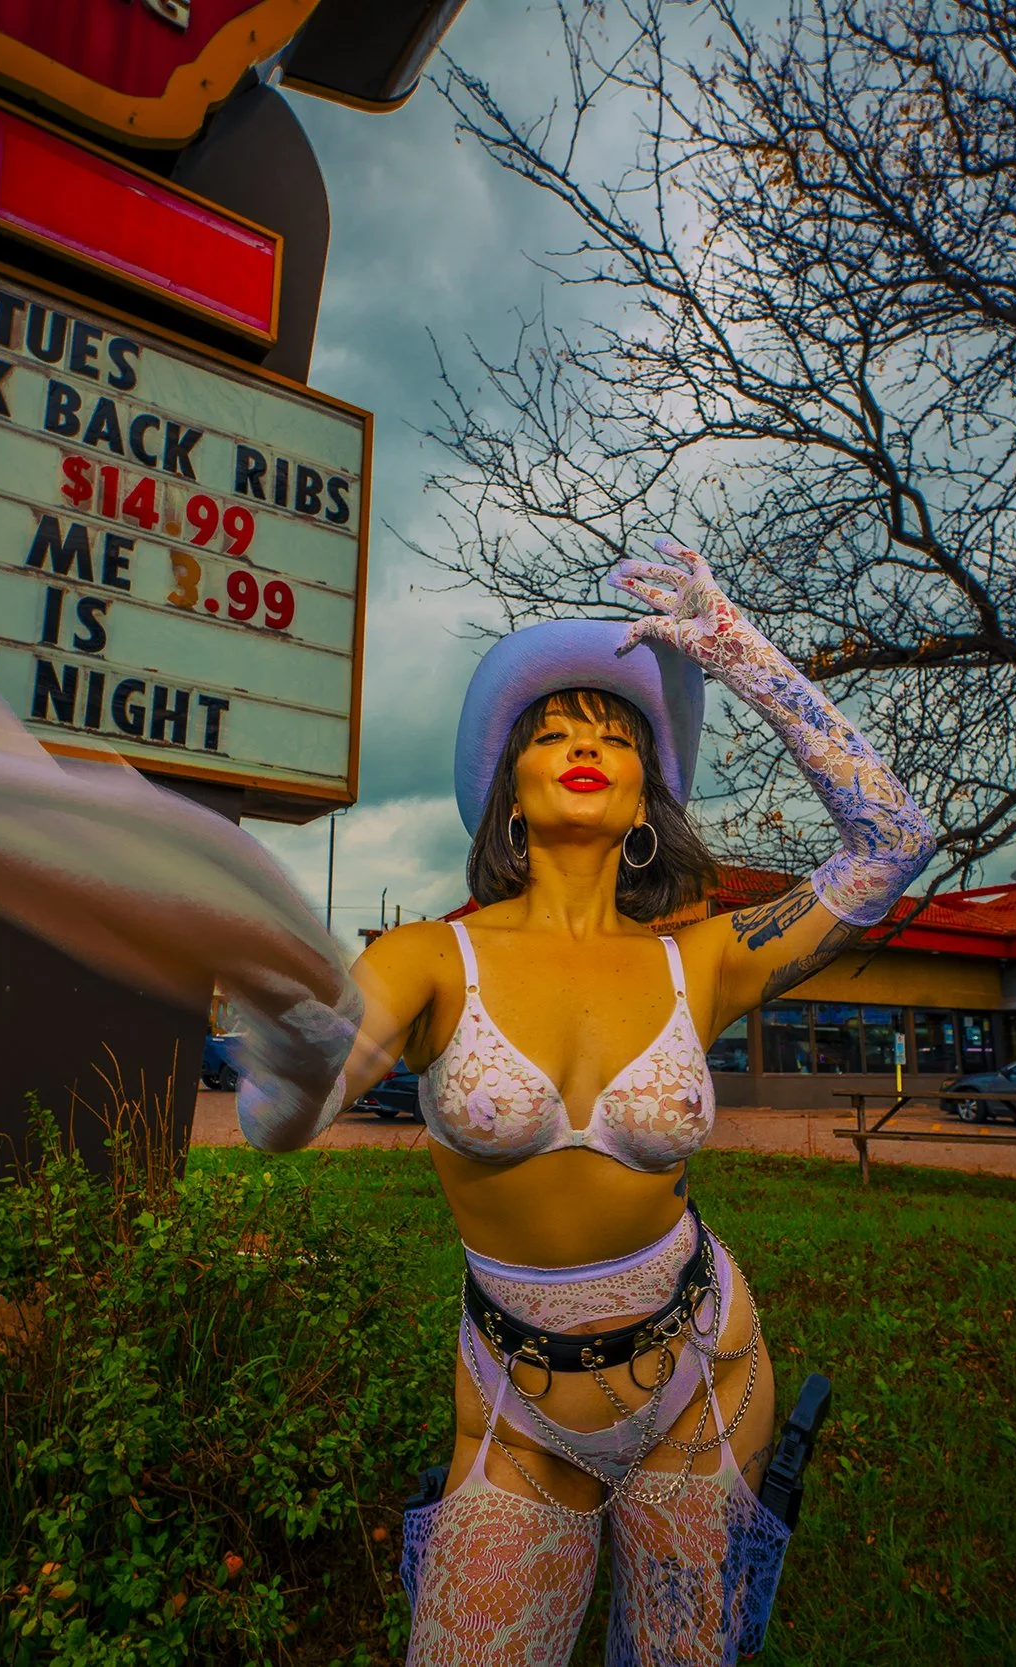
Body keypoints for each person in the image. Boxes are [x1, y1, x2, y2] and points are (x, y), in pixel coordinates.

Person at [235, 540, 938, 1665]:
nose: (586, 745)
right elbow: (279, 1116)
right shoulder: (426, 958)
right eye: (554, 732)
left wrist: (740, 654)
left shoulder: (698, 961)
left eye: (615, 735)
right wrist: (279, 1047)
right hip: (516, 1406)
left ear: (645, 803)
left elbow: (895, 837)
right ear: (508, 787)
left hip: (703, 1372)